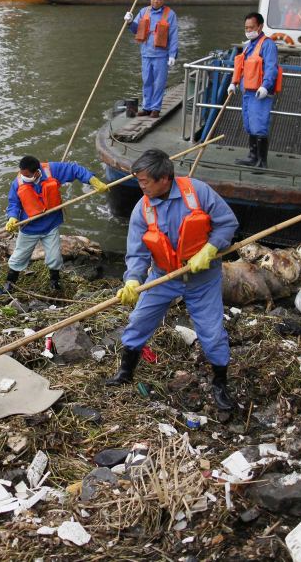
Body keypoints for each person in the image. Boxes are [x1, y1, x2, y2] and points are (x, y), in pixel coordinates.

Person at [105, 149, 239, 413]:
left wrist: (210, 249)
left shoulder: (198, 192)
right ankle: (125, 372)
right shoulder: (142, 209)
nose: (140, 186)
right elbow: (137, 252)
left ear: (165, 178)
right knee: (138, 322)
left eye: (145, 181)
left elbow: (227, 223)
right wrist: (132, 280)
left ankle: (220, 384)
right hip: (163, 276)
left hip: (203, 278)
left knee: (212, 334)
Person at [5, 155, 108, 291]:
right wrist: (12, 217)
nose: (23, 176)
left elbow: (74, 169)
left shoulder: (51, 170)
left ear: (36, 172)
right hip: (29, 227)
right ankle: (10, 283)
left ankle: (55, 282)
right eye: (21, 173)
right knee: (19, 257)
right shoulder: (17, 183)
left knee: (54, 257)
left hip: (50, 225)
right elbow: (13, 203)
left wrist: (92, 180)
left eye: (27, 175)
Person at [228, 12, 281, 169]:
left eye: (251, 27)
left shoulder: (268, 44)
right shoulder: (248, 45)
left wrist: (265, 86)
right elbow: (242, 67)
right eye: (246, 27)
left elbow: (272, 68)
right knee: (249, 124)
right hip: (248, 92)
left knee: (259, 125)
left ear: (260, 26)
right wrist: (234, 83)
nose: (249, 30)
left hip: (260, 93)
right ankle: (252, 156)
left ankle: (261, 161)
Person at [125, 0, 179, 118]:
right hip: (146, 53)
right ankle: (146, 107)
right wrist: (130, 21)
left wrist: (173, 55)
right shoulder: (144, 11)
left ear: (163, 0)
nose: (155, 1)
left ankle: (156, 108)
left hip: (161, 55)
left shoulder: (170, 14)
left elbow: (173, 35)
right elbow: (136, 29)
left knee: (159, 82)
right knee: (147, 81)